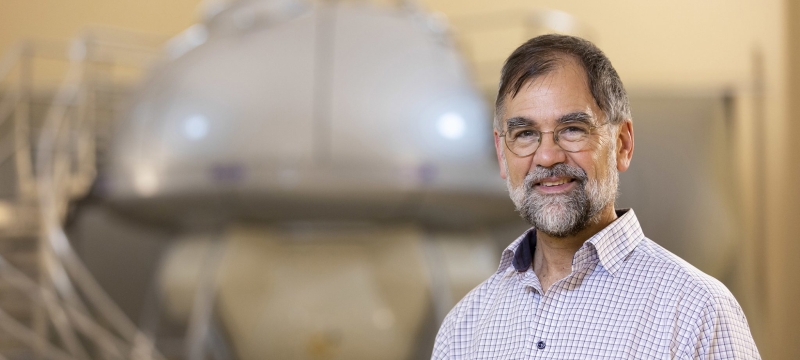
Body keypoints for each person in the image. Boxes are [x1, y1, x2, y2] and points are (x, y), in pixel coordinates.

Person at [431, 34, 760, 359]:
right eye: (525, 134)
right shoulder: (463, 328)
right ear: (503, 155)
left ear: (622, 144)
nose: (547, 156)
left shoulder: (696, 312)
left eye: (572, 129)